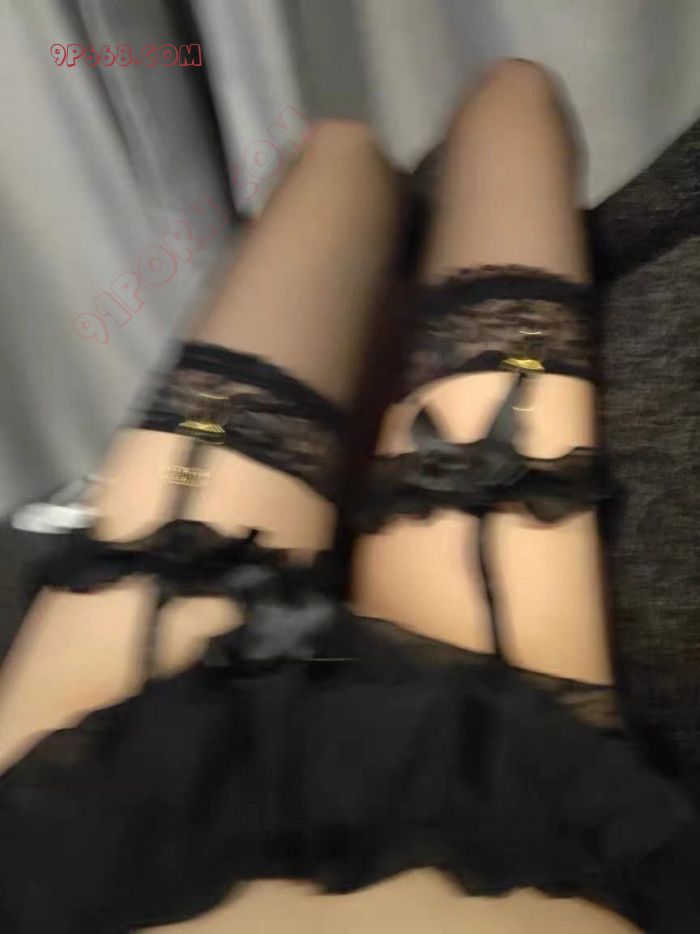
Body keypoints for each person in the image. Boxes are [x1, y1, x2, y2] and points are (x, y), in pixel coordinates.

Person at [0, 60, 696, 933]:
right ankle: (390, 275)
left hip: (102, 825)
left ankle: (387, 273)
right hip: (510, 802)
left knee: (372, 149)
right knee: (486, 111)